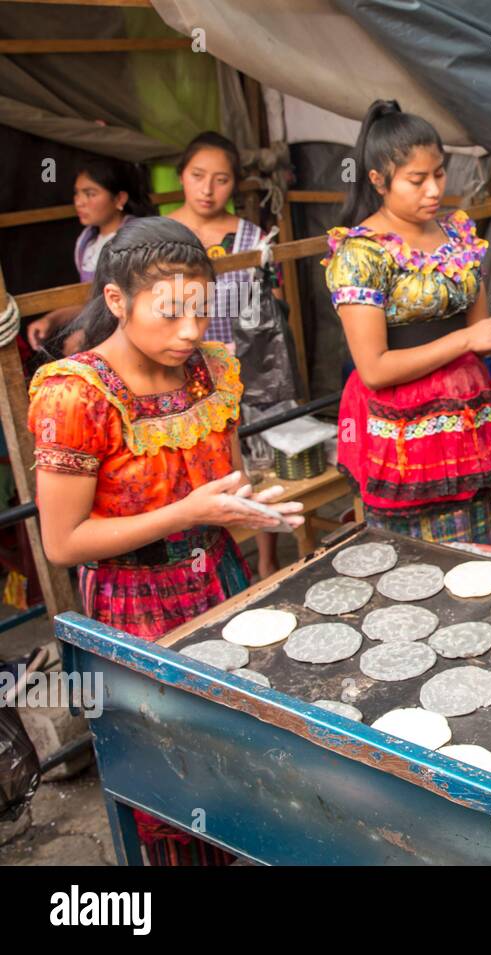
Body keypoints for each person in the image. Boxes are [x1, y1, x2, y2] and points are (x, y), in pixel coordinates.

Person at [27, 217, 304, 863]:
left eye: (201, 312)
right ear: (118, 300)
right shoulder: (78, 394)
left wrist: (248, 506)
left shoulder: (211, 372)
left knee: (245, 763)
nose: (190, 331)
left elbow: (221, 482)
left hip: (221, 586)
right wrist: (187, 512)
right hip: (136, 609)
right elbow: (65, 542)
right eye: (171, 313)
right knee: (175, 784)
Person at [324, 100, 491, 545]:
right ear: (378, 181)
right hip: (401, 430)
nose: (433, 190)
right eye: (416, 179)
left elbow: (478, 338)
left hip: (466, 417)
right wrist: (468, 338)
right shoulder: (361, 254)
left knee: (479, 553)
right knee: (413, 563)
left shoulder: (458, 236)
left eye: (439, 173)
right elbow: (375, 369)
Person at [167, 131, 285, 579]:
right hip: (177, 370)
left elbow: (265, 305)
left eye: (220, 179)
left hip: (241, 372)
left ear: (234, 185)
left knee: (254, 461)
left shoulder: (251, 237)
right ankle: (201, 560)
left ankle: (268, 558)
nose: (207, 188)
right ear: (182, 176)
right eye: (198, 176)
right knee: (193, 467)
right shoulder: (160, 237)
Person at [26, 157, 155, 355]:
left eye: (90, 193)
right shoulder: (86, 242)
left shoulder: (136, 240)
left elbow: (138, 301)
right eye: (77, 193)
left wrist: (88, 334)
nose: (79, 201)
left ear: (119, 199)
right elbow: (91, 302)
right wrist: (51, 320)